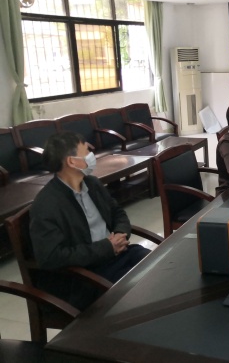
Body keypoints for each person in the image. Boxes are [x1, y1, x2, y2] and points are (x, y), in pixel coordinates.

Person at [29, 131, 150, 309]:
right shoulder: (47, 204)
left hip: (117, 255)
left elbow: (117, 212)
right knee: (143, 289)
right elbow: (51, 257)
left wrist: (120, 234)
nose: (91, 156)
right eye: (86, 152)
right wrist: (107, 247)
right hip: (87, 274)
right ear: (72, 161)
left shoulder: (92, 184)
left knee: (160, 264)